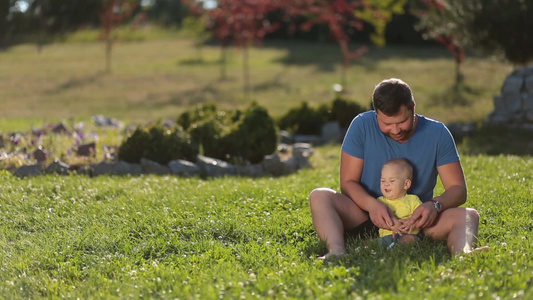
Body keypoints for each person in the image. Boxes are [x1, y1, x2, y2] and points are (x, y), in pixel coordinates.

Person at [309, 78, 487, 260]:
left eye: (402, 121)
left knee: (468, 215)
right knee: (320, 195)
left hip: (415, 222)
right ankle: (337, 251)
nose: (395, 130)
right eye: (386, 124)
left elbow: (458, 189)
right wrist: (373, 206)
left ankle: (463, 254)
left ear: (413, 106)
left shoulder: (438, 133)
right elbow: (348, 183)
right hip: (365, 215)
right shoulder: (361, 125)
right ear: (376, 113)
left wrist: (434, 205)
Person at [377, 158, 422, 249]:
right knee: (374, 243)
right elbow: (378, 218)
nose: (386, 184)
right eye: (383, 181)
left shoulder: (413, 200)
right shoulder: (380, 201)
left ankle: (397, 249)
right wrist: (393, 223)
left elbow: (421, 216)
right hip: (386, 236)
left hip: (408, 234)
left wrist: (412, 222)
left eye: (392, 181)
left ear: (406, 184)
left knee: (410, 240)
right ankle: (390, 248)